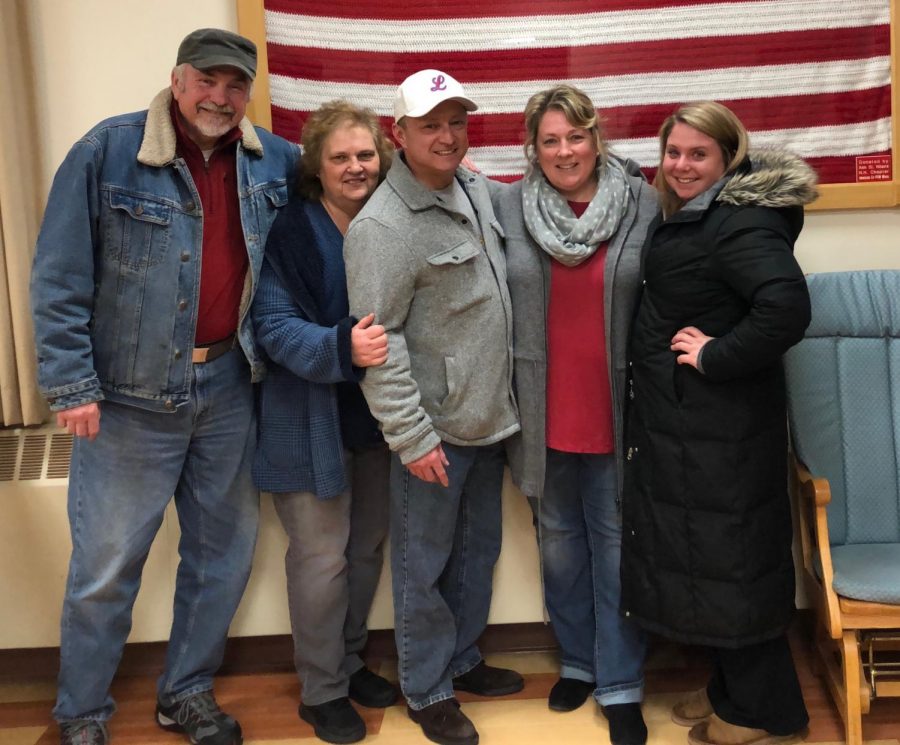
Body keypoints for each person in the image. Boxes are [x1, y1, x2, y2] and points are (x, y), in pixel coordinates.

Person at [30, 28, 299, 745]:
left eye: (235, 85)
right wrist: (70, 384)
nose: (221, 96)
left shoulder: (275, 160)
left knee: (222, 557)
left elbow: (342, 194)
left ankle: (186, 691)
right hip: (124, 402)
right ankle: (81, 713)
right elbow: (57, 280)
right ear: (177, 81)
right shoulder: (106, 152)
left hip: (232, 392)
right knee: (105, 569)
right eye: (207, 81)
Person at [620, 101, 817, 745]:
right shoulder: (703, 215)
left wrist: (716, 355)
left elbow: (785, 307)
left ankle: (768, 713)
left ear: (727, 159)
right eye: (673, 152)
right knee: (718, 564)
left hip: (721, 431)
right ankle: (733, 695)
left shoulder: (737, 223)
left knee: (733, 567)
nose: (681, 165)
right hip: (695, 430)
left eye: (697, 154)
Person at [342, 69, 522, 745]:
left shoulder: (473, 187)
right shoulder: (383, 227)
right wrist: (411, 436)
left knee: (478, 554)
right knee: (423, 565)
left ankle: (463, 656)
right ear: (399, 135)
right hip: (434, 430)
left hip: (489, 419)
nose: (446, 136)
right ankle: (426, 685)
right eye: (430, 125)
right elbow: (378, 343)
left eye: (455, 122)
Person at [490, 84, 657, 745]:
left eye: (576, 136)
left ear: (597, 138)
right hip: (539, 411)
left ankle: (622, 683)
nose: (565, 151)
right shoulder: (506, 204)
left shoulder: (642, 201)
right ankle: (580, 662)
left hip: (618, 407)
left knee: (617, 547)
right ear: (533, 148)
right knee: (559, 548)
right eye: (550, 140)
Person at [251, 101, 397, 744]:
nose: (356, 166)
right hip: (308, 419)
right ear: (316, 165)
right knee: (321, 560)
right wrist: (343, 348)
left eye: (365, 154)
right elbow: (274, 327)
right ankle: (321, 688)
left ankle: (350, 658)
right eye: (340, 157)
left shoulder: (392, 223)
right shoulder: (292, 231)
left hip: (378, 422)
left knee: (364, 552)